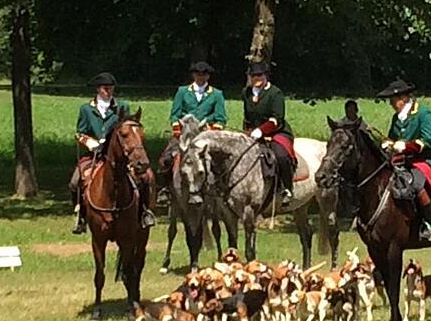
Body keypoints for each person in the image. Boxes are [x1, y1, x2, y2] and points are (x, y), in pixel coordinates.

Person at [70, 72, 156, 233]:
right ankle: (81, 217)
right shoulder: (86, 109)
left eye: (111, 88)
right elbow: (80, 133)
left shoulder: (122, 107)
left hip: (119, 154)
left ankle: (145, 211)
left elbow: (128, 128)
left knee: (145, 177)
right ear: (98, 89)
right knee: (75, 181)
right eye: (105, 88)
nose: (108, 91)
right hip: (95, 154)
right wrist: (90, 142)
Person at [377, 79, 431, 242]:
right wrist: (388, 144)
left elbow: (428, 140)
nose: (391, 103)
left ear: (404, 98)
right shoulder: (396, 117)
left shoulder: (423, 113)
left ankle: (429, 224)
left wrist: (406, 146)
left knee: (417, 184)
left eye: (393, 99)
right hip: (400, 161)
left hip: (422, 160)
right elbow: (392, 137)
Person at [158, 61, 227, 189]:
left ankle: (220, 188)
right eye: (198, 74)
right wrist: (177, 128)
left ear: (208, 76)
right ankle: (165, 189)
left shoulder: (217, 94)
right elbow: (175, 114)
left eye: (204, 75)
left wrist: (210, 129)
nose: (200, 77)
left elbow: (221, 119)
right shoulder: (182, 92)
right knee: (166, 159)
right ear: (193, 75)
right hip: (184, 134)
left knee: (218, 162)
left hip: (206, 135)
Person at [243, 61, 296, 207]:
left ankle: (286, 188)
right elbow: (247, 117)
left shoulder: (275, 93)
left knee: (280, 155)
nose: (256, 78)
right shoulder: (246, 93)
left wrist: (261, 130)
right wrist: (247, 132)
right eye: (253, 75)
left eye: (260, 75)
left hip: (276, 133)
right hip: (253, 133)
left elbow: (276, 119)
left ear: (266, 76)